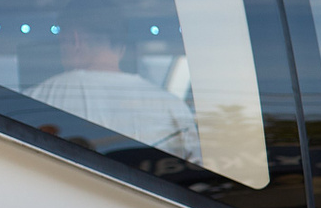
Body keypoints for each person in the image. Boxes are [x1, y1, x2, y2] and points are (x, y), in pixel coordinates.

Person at [28, 15, 202, 163]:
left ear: (75, 39)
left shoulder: (36, 98)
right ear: (122, 48)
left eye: (61, 42)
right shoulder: (172, 107)